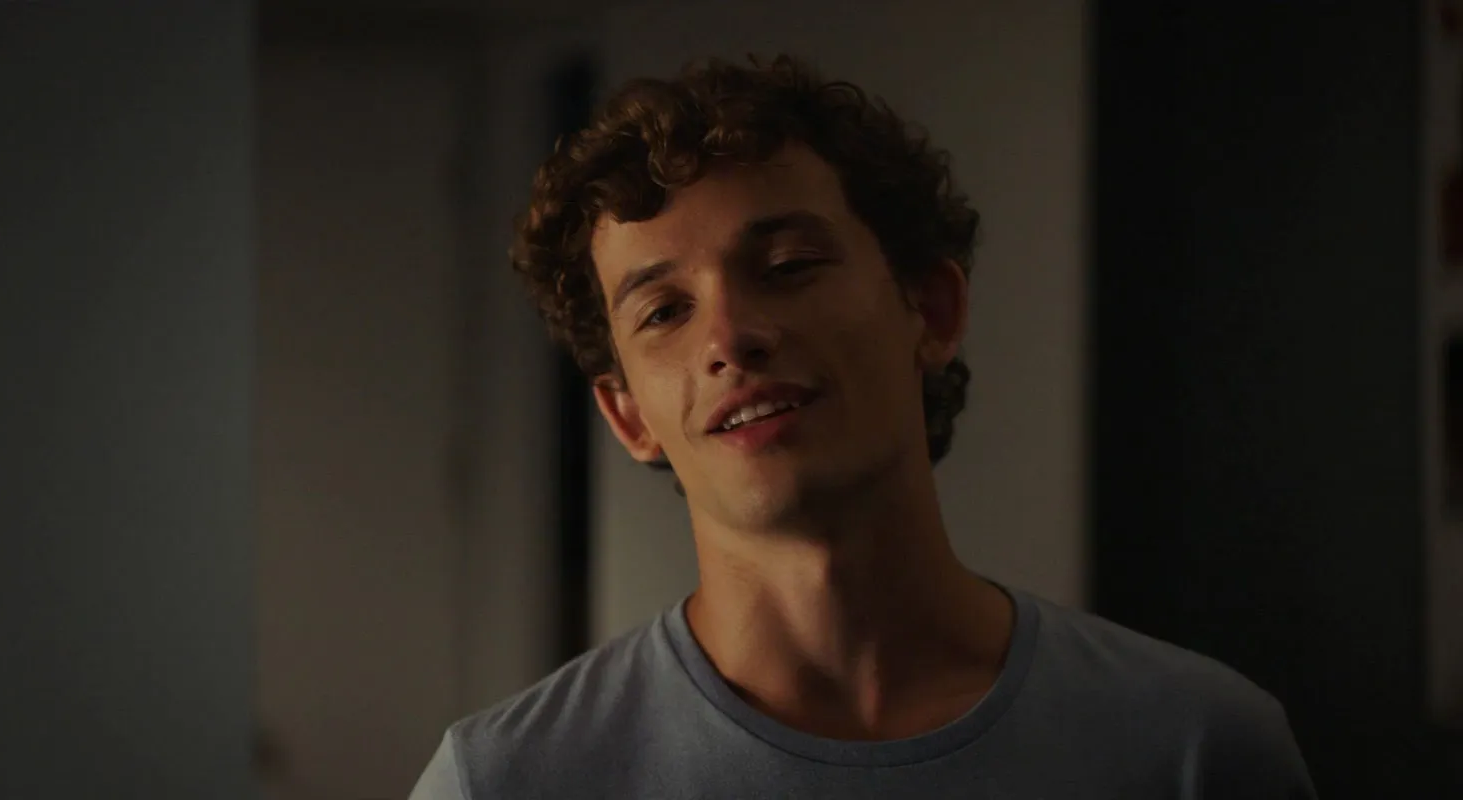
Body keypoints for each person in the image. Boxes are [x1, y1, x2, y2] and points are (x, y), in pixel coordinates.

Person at [405, 54, 1316, 799]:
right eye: (665, 311)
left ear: (932, 309)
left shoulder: (1196, 748)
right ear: (628, 415)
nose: (730, 337)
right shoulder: (506, 783)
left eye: (788, 266)